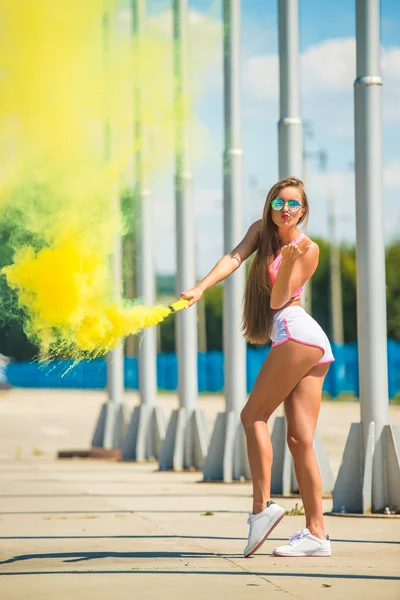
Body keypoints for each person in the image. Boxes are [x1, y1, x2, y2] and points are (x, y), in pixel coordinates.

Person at [181, 177, 333, 558]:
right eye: (279, 202)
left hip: (297, 333)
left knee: (253, 416)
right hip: (307, 341)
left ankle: (262, 509)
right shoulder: (261, 233)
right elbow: (234, 257)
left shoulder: (308, 249)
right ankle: (318, 535)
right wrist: (200, 288)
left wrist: (290, 262)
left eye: (293, 204)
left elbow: (280, 299)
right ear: (270, 206)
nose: (285, 209)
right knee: (299, 441)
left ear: (303, 211)